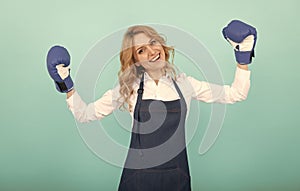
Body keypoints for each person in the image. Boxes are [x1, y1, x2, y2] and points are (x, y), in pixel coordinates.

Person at [46, 20, 257, 191]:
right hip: (137, 180)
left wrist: (242, 57)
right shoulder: (127, 89)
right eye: (141, 50)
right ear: (134, 60)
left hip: (177, 177)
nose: (152, 51)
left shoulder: (185, 84)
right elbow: (85, 114)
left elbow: (236, 93)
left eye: (153, 42)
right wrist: (66, 85)